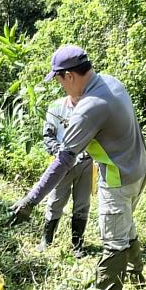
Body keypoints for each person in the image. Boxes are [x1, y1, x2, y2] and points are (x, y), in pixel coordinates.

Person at [9, 45, 146, 290]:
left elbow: (63, 161)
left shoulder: (89, 107)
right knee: (127, 225)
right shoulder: (110, 82)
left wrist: (30, 200)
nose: (62, 88)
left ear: (69, 76)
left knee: (114, 241)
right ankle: (136, 274)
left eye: (60, 81)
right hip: (139, 167)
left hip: (118, 177)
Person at [38, 94, 92, 258]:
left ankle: (77, 244)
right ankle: (46, 240)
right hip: (62, 162)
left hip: (87, 161)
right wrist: (60, 153)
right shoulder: (56, 107)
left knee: (82, 203)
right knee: (56, 200)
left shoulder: (92, 107)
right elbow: (48, 136)